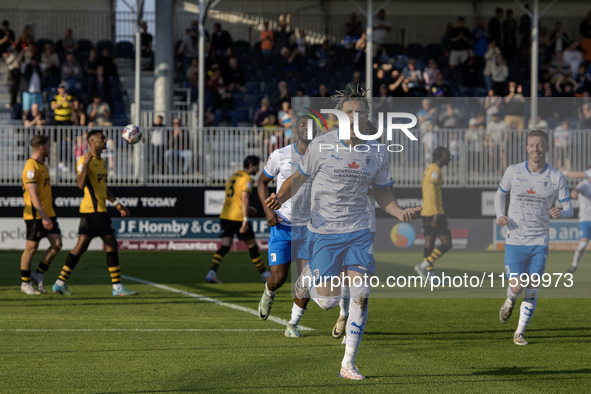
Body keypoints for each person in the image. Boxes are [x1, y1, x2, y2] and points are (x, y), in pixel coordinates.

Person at [265, 88, 422, 380]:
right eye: (348, 111)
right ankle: (309, 275)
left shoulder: (377, 150)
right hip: (324, 231)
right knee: (327, 302)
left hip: (359, 231)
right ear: (339, 116)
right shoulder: (321, 145)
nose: (354, 116)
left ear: (366, 117)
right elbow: (298, 177)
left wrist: (400, 212)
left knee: (360, 296)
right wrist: (281, 198)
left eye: (360, 112)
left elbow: (383, 191)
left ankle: (347, 364)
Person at [495, 130, 572, 345]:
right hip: (515, 239)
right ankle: (510, 300)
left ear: (547, 148)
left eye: (539, 145)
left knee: (533, 286)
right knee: (517, 287)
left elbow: (569, 209)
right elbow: (500, 194)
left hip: (540, 241)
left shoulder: (556, 177)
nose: (535, 149)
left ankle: (519, 333)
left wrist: (561, 212)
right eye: (531, 145)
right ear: (526, 147)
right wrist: (500, 215)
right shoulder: (513, 171)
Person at [51, 130, 138, 296]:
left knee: (80, 246)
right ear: (92, 142)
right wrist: (85, 164)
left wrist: (117, 203)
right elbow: (80, 184)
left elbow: (102, 188)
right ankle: (118, 288)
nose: (105, 140)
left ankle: (59, 283)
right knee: (111, 244)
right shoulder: (85, 160)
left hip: (94, 210)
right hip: (94, 211)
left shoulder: (102, 162)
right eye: (101, 138)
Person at [257, 116, 313, 337]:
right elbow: (261, 181)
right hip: (282, 225)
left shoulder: (322, 157)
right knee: (279, 278)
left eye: (310, 127)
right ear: (294, 130)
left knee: (306, 279)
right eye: (302, 125)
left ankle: (292, 323)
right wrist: (267, 210)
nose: (306, 129)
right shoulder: (280, 155)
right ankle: (268, 293)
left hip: (310, 227)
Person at [206, 156, 270, 284]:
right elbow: (244, 198)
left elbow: (235, 198)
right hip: (238, 217)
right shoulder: (247, 179)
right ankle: (264, 274)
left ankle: (211, 273)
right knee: (252, 246)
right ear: (251, 166)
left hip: (226, 215)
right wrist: (245, 219)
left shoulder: (234, 176)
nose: (258, 169)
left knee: (224, 246)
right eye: (257, 166)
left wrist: (248, 208)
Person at [20, 135, 63, 295]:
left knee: (57, 244)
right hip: (35, 215)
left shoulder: (42, 165)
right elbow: (33, 195)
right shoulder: (31, 167)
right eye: (48, 146)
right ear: (41, 148)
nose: (50, 149)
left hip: (48, 213)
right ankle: (25, 283)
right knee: (31, 248)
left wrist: (48, 215)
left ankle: (37, 274)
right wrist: (44, 217)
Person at [414, 147, 452, 281]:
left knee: (429, 242)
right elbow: (431, 192)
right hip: (435, 211)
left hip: (426, 210)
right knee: (447, 243)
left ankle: (430, 274)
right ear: (440, 156)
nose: (449, 158)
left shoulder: (429, 169)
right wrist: (436, 213)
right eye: (447, 155)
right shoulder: (435, 170)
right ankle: (424, 265)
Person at [566, 167, 591, 273]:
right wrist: (574, 192)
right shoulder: (584, 184)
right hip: (585, 219)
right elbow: (576, 190)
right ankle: (574, 265)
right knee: (582, 245)